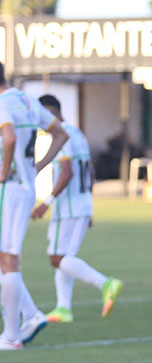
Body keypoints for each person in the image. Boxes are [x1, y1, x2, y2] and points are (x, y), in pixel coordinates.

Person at [30, 95, 122, 323]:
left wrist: (46, 202)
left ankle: (105, 283)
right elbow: (88, 171)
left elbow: (67, 172)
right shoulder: (77, 133)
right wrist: (89, 205)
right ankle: (63, 308)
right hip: (81, 204)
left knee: (56, 257)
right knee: (65, 256)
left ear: (49, 111)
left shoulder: (61, 135)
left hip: (68, 206)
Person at [0, 64, 69, 349]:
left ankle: (12, 335)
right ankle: (30, 315)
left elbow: (10, 137)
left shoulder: (2, 103)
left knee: (9, 258)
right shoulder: (26, 100)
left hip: (9, 188)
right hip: (24, 187)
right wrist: (38, 166)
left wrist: (4, 172)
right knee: (4, 257)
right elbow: (60, 135)